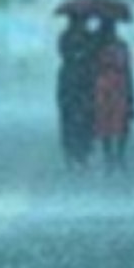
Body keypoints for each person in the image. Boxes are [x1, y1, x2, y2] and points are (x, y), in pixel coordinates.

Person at [92, 17, 134, 171]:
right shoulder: (97, 46)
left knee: (120, 121)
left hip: (115, 86)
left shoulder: (120, 46)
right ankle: (111, 155)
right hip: (107, 86)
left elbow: (128, 68)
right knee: (107, 121)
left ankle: (117, 154)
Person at [56, 13, 97, 168]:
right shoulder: (65, 37)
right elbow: (63, 53)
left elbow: (95, 53)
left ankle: (84, 152)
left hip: (86, 80)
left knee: (87, 116)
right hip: (70, 80)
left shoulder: (90, 36)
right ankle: (70, 151)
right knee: (68, 116)